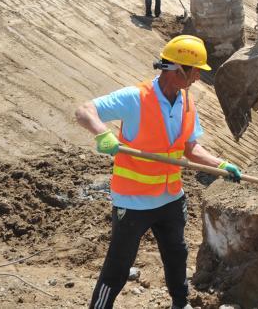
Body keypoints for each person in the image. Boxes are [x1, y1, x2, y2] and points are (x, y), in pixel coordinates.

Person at [75, 35, 242, 309]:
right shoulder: (135, 98)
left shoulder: (187, 103)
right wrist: (103, 135)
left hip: (170, 199)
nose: (198, 77)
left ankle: (180, 303)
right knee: (118, 265)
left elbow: (190, 148)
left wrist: (220, 165)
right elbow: (85, 110)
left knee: (177, 255)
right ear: (178, 69)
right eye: (195, 70)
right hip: (133, 201)